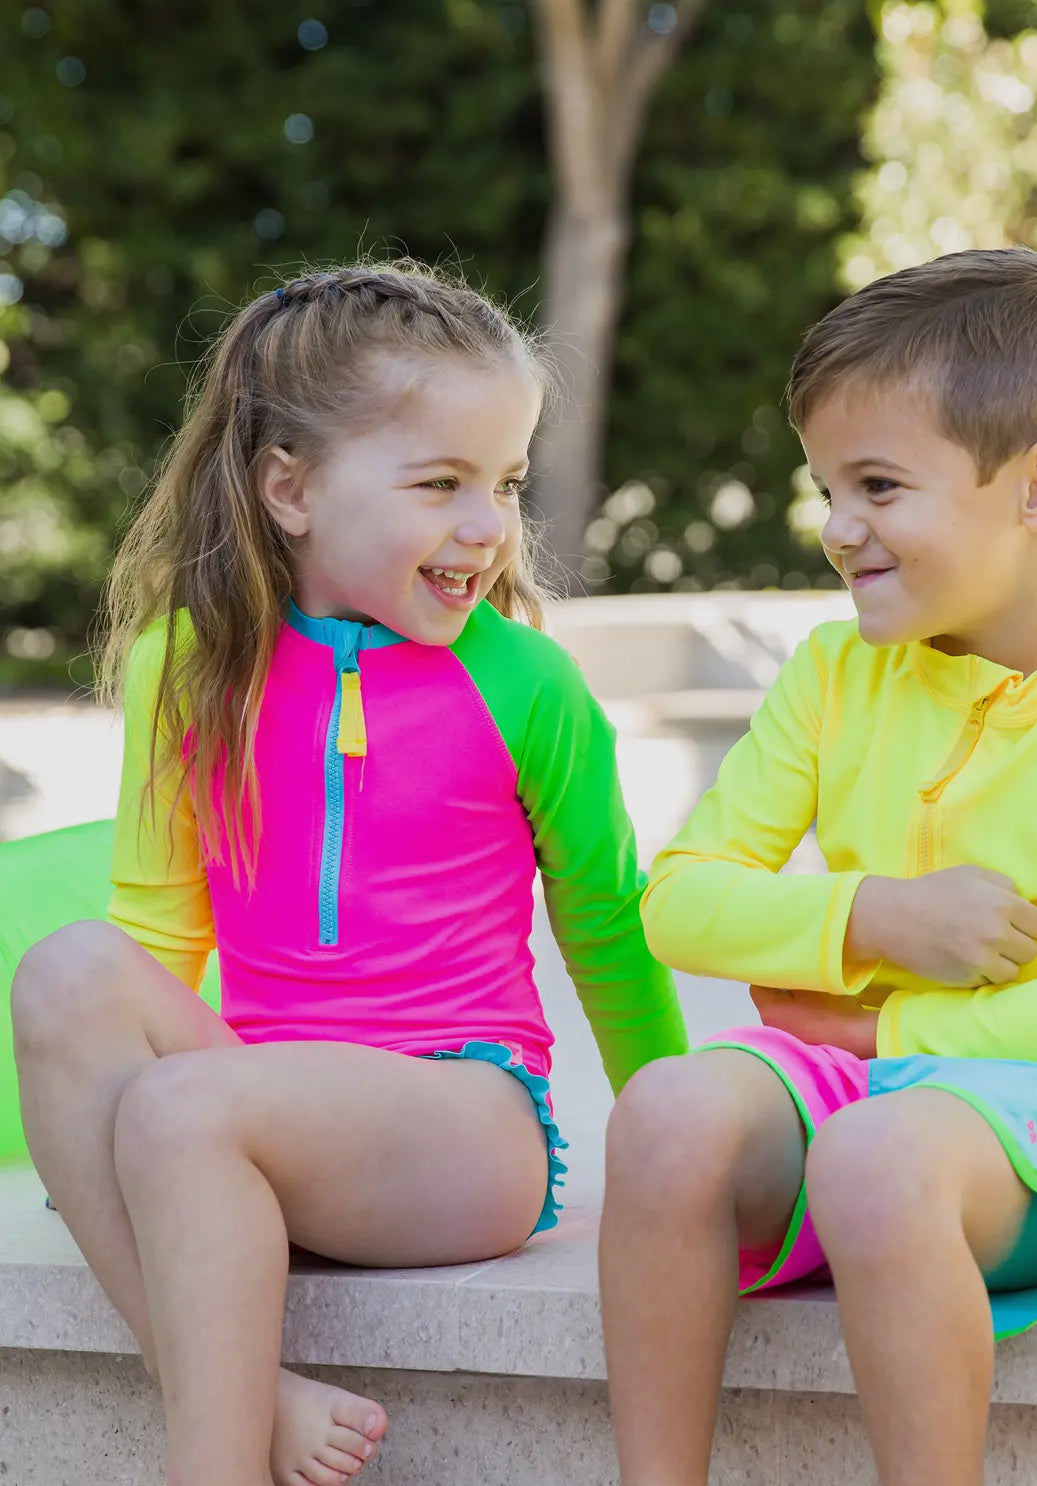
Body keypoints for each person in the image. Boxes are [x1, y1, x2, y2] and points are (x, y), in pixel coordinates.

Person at [10, 262, 687, 1486]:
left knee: (178, 1109)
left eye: (506, 483)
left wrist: (685, 1149)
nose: (488, 527)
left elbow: (609, 929)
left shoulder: (527, 685)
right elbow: (155, 934)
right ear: (293, 488)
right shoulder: (188, 670)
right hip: (256, 1105)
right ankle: (241, 1382)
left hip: (467, 1125)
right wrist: (114, 1136)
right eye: (442, 483)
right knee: (65, 973)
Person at [599, 246, 1037, 1486]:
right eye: (828, 487)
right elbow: (682, 898)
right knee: (666, 1112)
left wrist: (884, 1034)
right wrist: (877, 915)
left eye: (877, 485)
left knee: (878, 1154)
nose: (836, 528)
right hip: (857, 1094)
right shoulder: (832, 673)